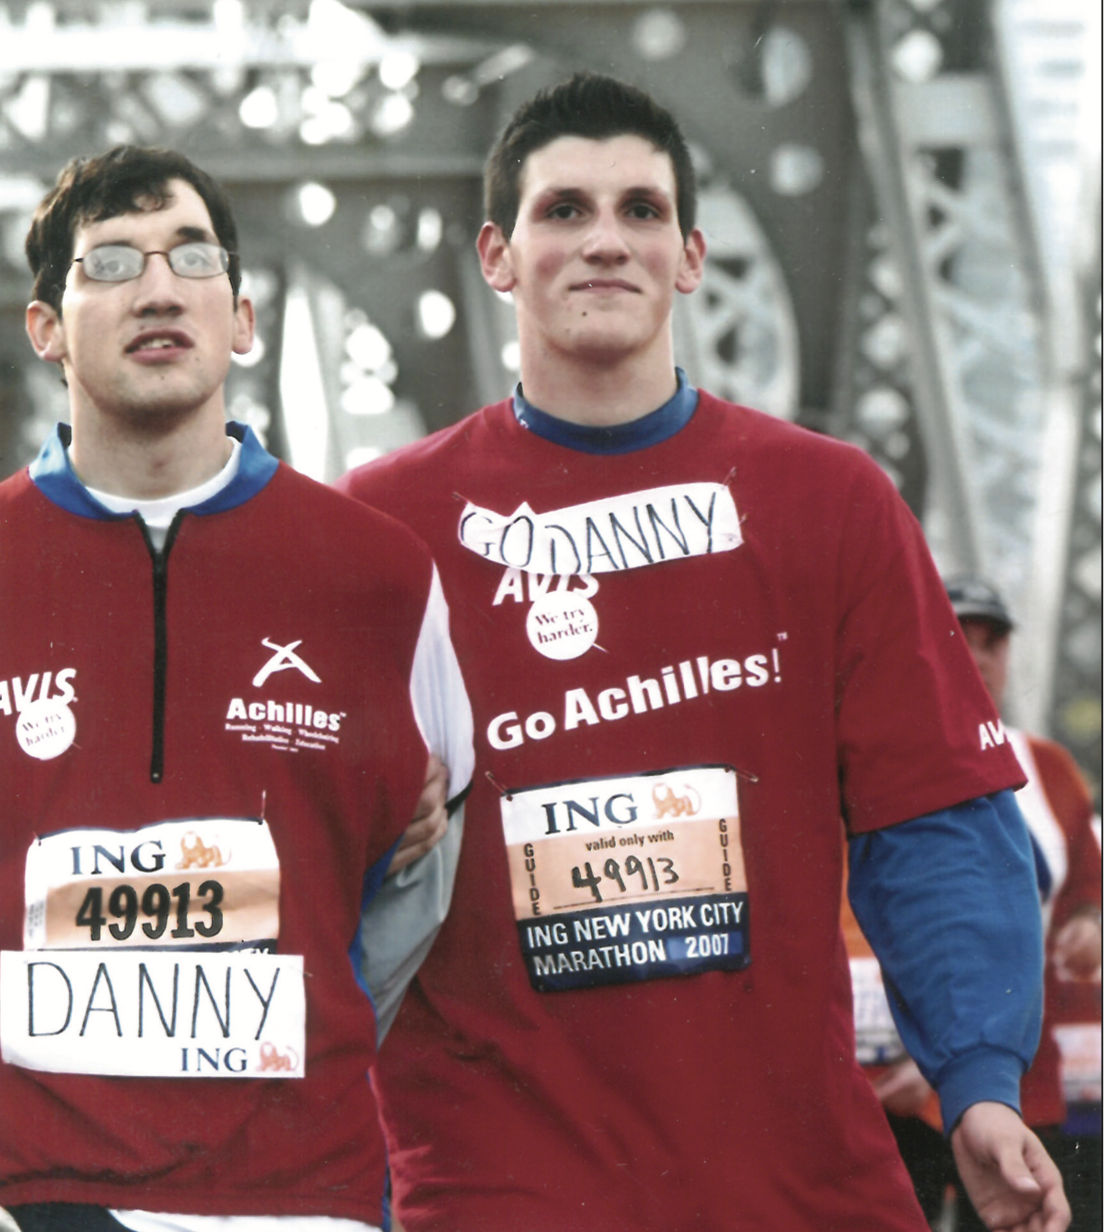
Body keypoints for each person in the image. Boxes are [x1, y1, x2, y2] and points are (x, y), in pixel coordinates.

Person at [340, 73, 1069, 1231]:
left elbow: (933, 816)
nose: (605, 242)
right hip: (500, 1185)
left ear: (690, 257)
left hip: (794, 1185)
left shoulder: (828, 500)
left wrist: (977, 1078)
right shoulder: (378, 532)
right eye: (564, 210)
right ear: (497, 255)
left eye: (641, 210)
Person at [0, 146, 473, 1232]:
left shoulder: (379, 574)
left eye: (192, 256)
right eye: (109, 262)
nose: (158, 287)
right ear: (46, 330)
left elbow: (421, 881)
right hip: (35, 1194)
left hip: (308, 1197)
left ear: (244, 316)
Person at [859, 578, 1102, 1230]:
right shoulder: (866, 761)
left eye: (994, 642)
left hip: (1017, 1082)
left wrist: (1087, 925)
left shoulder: (1048, 767)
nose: (981, 655)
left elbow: (1085, 890)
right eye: (960, 636)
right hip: (885, 1088)